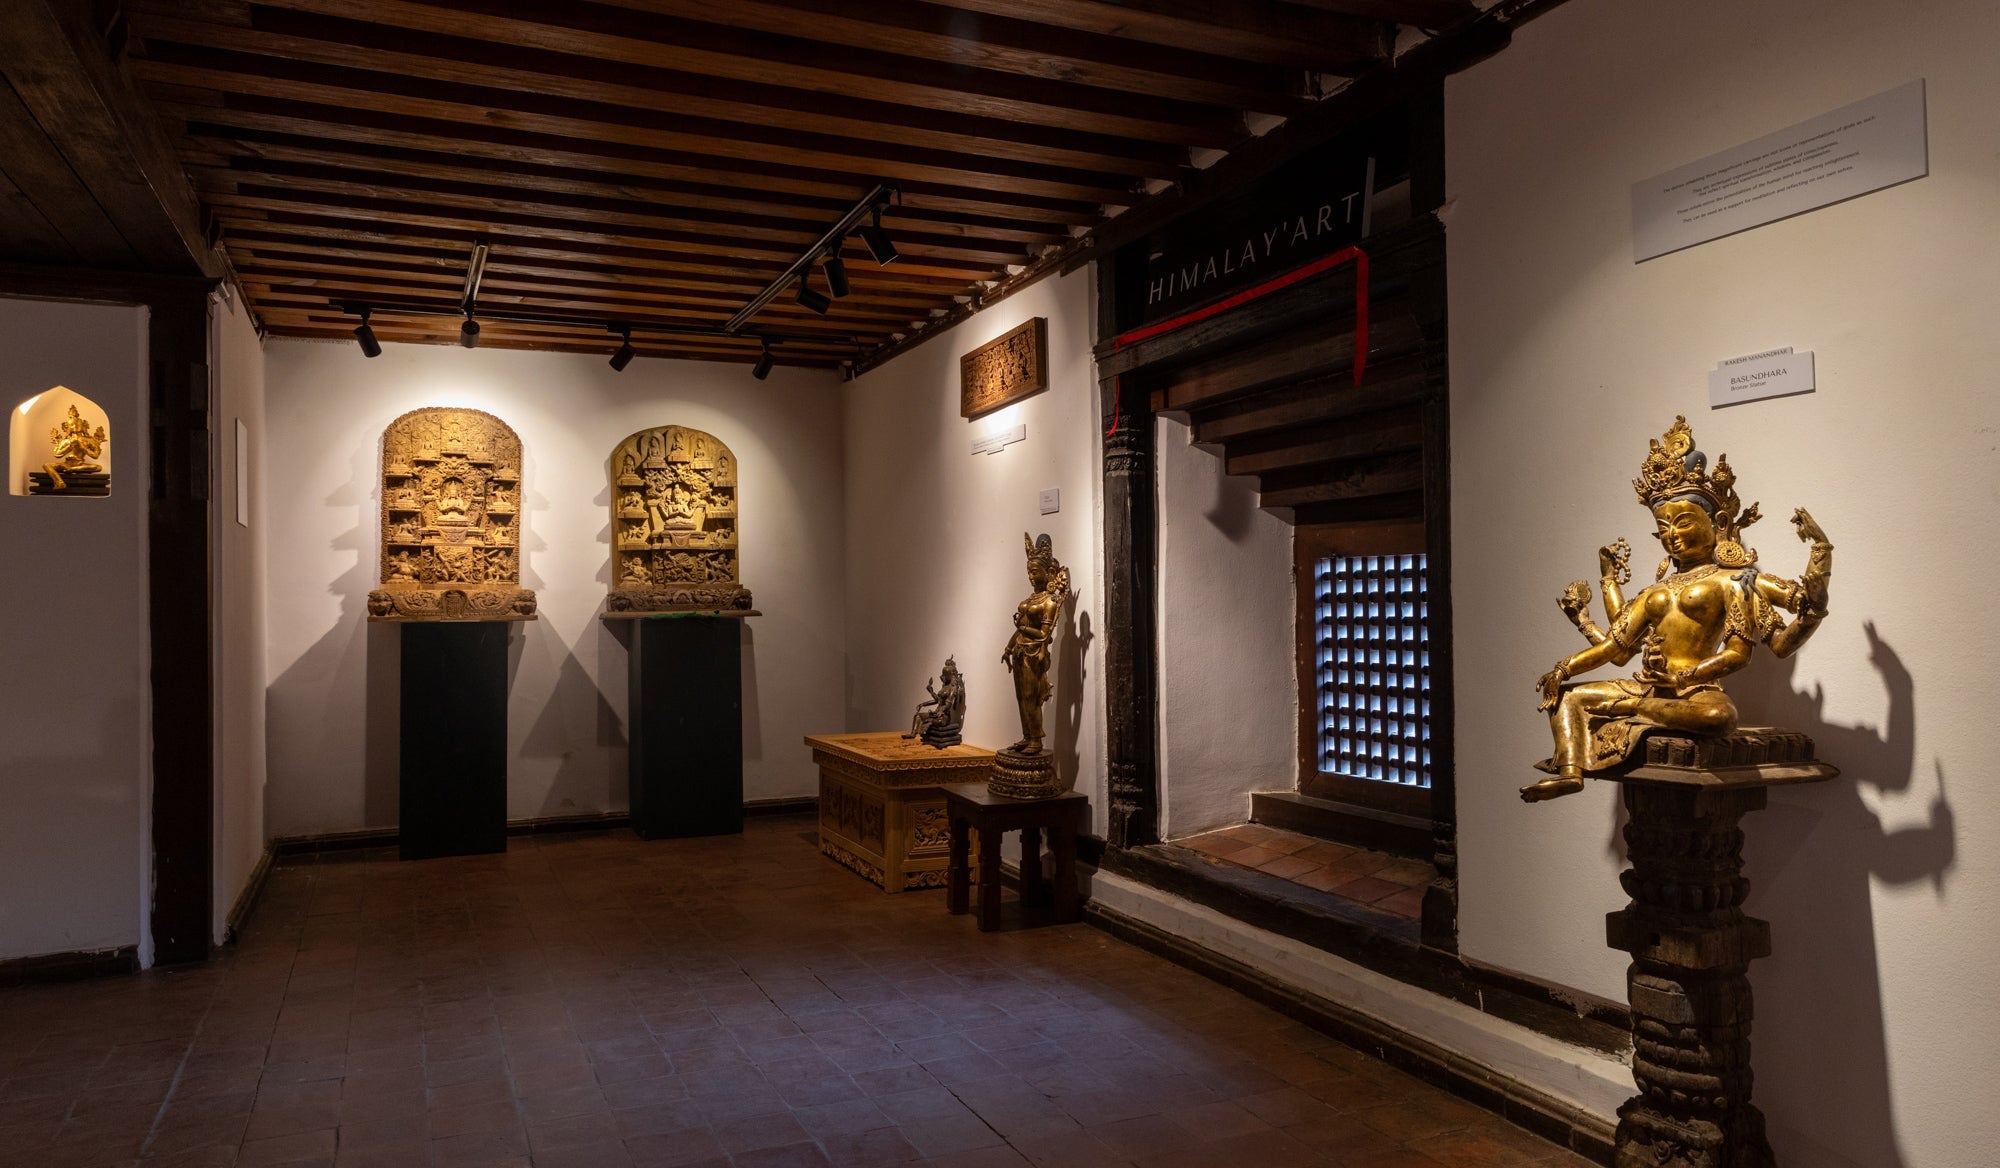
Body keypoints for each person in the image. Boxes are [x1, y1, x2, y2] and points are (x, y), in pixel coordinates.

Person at [1525, 417, 1833, 801]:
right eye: (1663, 527)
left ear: (1718, 522)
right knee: (1568, 697)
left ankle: (1636, 707)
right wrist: (1563, 668)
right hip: (1649, 684)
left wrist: (1820, 561)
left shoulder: (1736, 580)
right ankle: (1570, 772)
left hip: (1694, 691)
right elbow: (1616, 649)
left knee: (1719, 717)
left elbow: (1771, 644)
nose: (1672, 536)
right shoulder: (1655, 590)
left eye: (1683, 523)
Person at [1001, 533, 1070, 755]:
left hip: (1033, 653)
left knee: (1031, 697)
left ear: (1048, 573)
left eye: (1035, 572)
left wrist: (1022, 630)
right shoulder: (1031, 599)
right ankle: (1026, 736)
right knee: (1021, 697)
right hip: (1019, 651)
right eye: (1029, 572)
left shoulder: (1050, 601)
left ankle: (1037, 739)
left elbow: (1043, 634)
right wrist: (1009, 647)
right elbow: (1019, 627)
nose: (1031, 576)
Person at [903, 657, 966, 746]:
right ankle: (913, 734)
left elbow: (948, 704)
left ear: (950, 675)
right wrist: (926, 700)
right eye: (943, 674)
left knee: (939, 721)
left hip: (944, 716)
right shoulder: (944, 686)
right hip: (936, 713)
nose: (942, 677)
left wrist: (941, 711)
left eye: (945, 675)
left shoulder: (953, 688)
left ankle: (928, 723)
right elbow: (937, 700)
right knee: (918, 716)